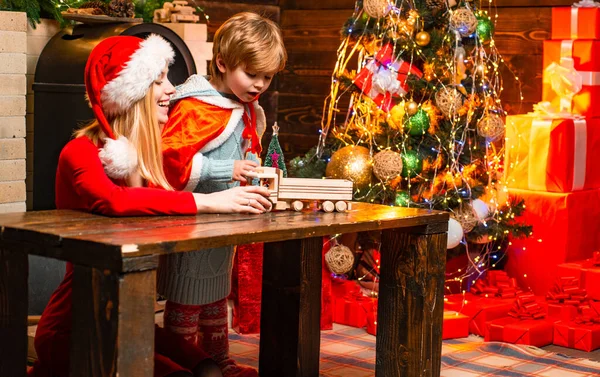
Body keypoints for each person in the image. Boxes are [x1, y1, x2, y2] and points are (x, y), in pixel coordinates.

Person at [29, 34, 272, 377]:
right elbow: (116, 201)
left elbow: (165, 199)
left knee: (209, 369)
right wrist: (207, 201)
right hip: (77, 325)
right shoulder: (80, 152)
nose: (171, 89)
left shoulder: (144, 157)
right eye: (159, 81)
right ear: (130, 94)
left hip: (132, 317)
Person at [157, 12, 287, 377]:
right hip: (196, 221)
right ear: (223, 64)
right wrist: (224, 170)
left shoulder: (241, 106)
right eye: (252, 74)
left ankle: (219, 360)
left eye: (267, 76)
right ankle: (179, 363)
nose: (260, 84)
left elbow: (244, 148)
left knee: (215, 299)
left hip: (225, 223)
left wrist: (253, 171)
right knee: (187, 299)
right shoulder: (197, 107)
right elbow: (170, 164)